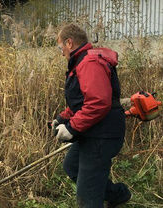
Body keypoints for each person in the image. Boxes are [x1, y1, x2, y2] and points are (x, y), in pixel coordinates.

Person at [51, 24, 131, 208]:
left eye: (60, 47)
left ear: (69, 43)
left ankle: (96, 197)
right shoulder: (81, 62)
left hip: (102, 135)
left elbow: (98, 102)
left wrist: (72, 128)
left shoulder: (88, 63)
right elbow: (81, 101)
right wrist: (62, 118)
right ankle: (118, 195)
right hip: (93, 131)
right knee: (72, 166)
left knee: (87, 195)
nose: (61, 52)